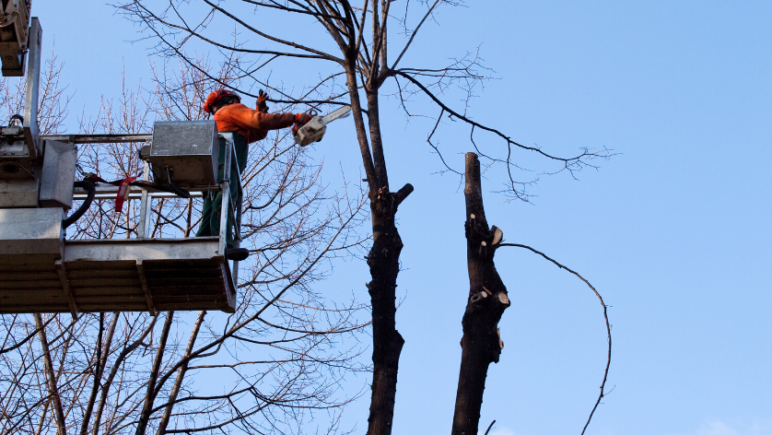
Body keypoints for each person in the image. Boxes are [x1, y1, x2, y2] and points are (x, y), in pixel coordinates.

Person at [196, 89, 312, 261]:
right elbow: (259, 122)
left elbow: (259, 131)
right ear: (229, 100)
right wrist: (295, 117)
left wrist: (260, 108)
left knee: (212, 206)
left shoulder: (225, 120)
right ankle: (224, 245)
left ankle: (201, 246)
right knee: (225, 200)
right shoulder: (230, 110)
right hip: (224, 166)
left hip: (215, 167)